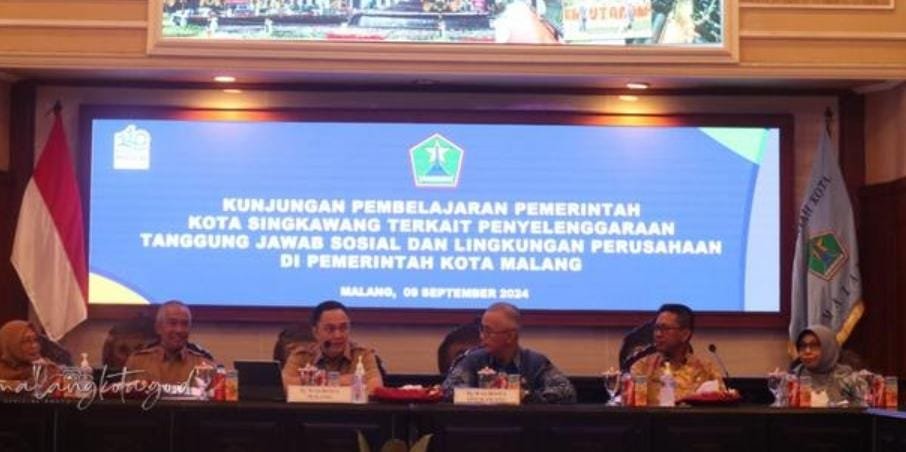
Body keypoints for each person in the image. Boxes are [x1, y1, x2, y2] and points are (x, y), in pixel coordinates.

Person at [442, 302, 576, 403]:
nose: (482, 336)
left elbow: (566, 392)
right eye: (482, 330)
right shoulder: (473, 360)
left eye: (488, 331)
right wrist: (492, 396)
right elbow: (448, 390)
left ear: (510, 337)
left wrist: (526, 397)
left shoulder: (535, 362)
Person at [281, 300, 383, 393]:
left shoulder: (362, 355)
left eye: (343, 328)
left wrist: (309, 382)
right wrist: (336, 380)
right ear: (316, 332)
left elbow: (375, 387)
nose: (338, 335)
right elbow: (283, 385)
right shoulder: (302, 356)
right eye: (330, 329)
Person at [630, 303, 724, 405]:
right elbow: (635, 406)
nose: (658, 334)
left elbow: (721, 404)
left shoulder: (706, 369)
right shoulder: (642, 367)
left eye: (665, 329)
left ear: (685, 334)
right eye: (656, 328)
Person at [124, 300, 215, 384]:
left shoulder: (204, 364)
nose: (179, 330)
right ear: (158, 328)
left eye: (184, 324)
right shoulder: (137, 362)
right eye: (172, 323)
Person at [792, 324, 854, 404]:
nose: (807, 351)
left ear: (828, 348)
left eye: (814, 345)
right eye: (803, 346)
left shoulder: (848, 379)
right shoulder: (793, 379)